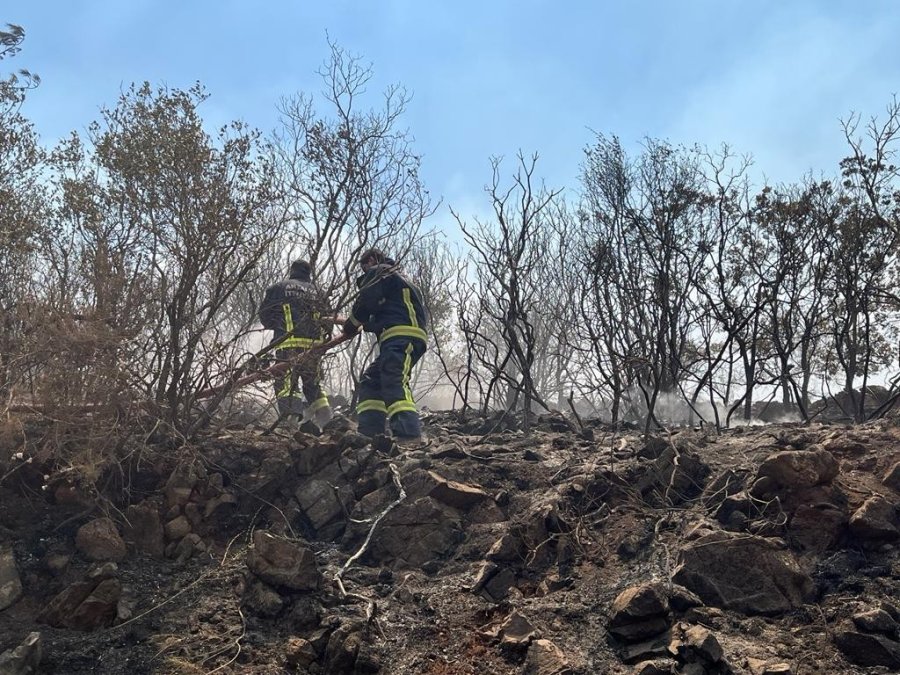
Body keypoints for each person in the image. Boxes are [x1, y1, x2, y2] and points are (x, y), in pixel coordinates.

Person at [342, 248, 428, 444]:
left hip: (399, 336)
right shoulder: (401, 279)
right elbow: (389, 309)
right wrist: (371, 323)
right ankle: (370, 433)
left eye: (364, 266)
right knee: (372, 380)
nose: (364, 271)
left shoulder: (379, 272)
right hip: (407, 336)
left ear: (372, 259)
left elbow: (366, 303)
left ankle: (409, 434)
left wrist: (351, 324)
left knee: (394, 379)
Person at [258, 259, 333, 431]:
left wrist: (276, 325)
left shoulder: (278, 288)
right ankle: (327, 419)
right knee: (312, 383)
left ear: (292, 270)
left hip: (288, 343)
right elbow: (328, 320)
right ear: (309, 273)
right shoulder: (319, 292)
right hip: (314, 347)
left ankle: (291, 422)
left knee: (285, 383)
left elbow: (265, 315)